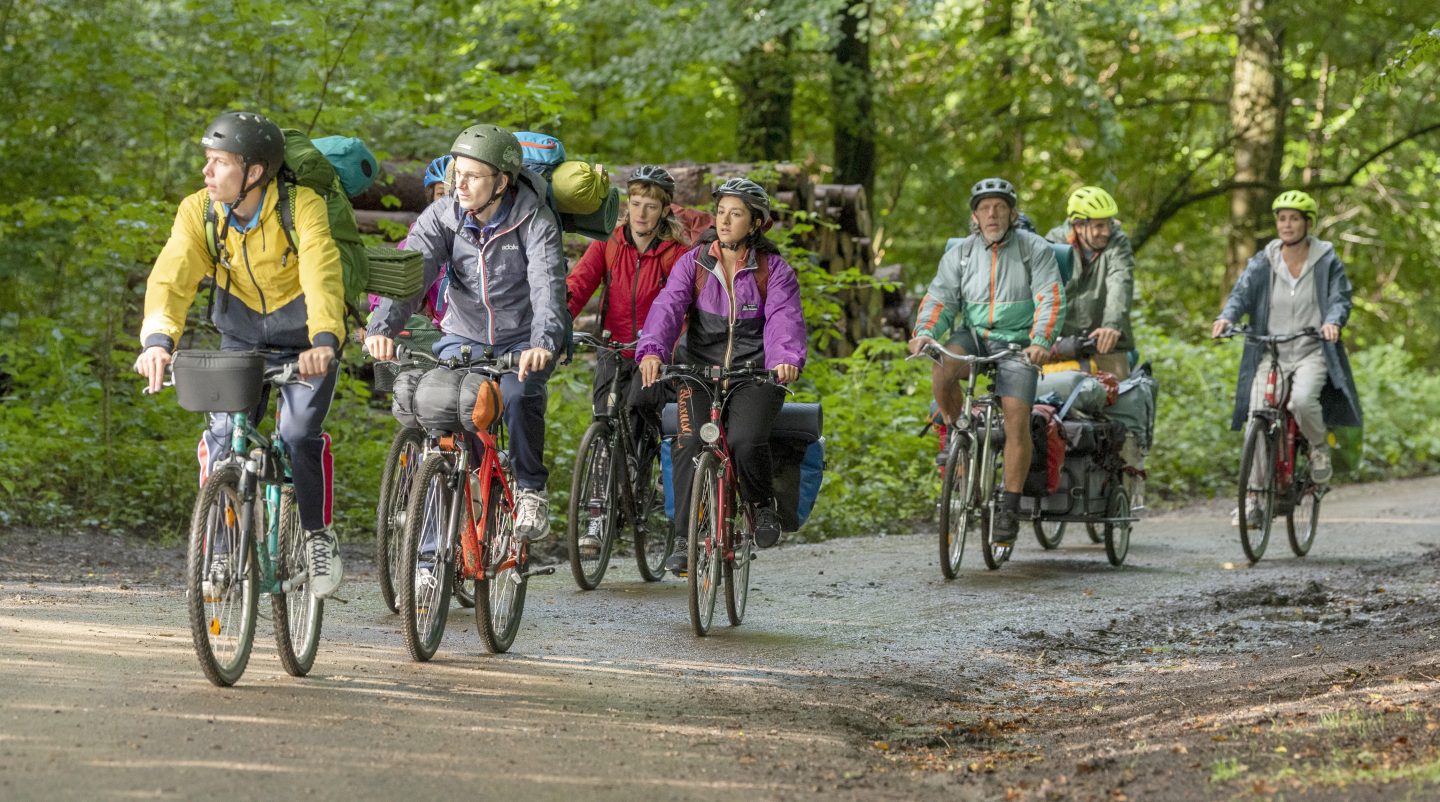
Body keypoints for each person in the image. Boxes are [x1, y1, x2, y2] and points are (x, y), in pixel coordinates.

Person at [134, 111, 347, 598]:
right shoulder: (200, 211)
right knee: (226, 436)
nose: (207, 173)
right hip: (241, 338)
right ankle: (224, 549)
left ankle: (317, 535)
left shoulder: (300, 207)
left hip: (305, 342)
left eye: (220, 162)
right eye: (207, 161)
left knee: (296, 433)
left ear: (254, 172)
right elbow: (173, 275)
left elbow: (320, 270)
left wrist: (324, 339)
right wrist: (157, 341)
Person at [366, 124, 567, 541]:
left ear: (501, 182)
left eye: (472, 175)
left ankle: (530, 489)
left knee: (517, 394)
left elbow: (548, 287)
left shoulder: (534, 220)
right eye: (457, 172)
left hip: (523, 339)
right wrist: (382, 327)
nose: (459, 183)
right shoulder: (442, 216)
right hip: (464, 334)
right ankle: (448, 516)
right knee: (443, 405)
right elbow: (412, 272)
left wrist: (543, 344)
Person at [636, 178, 807, 571]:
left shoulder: (773, 270)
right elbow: (667, 308)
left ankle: (761, 505)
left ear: (756, 223)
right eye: (721, 212)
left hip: (755, 373)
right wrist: (652, 351)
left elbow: (784, 320)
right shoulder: (694, 263)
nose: (725, 220)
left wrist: (784, 358)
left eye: (737, 213)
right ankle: (682, 538)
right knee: (688, 441)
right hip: (697, 370)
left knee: (746, 440)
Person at [908, 177, 1065, 546]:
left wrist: (1041, 341)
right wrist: (926, 332)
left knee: (1016, 417)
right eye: (984, 208)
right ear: (975, 217)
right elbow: (940, 300)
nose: (992, 214)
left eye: (999, 207)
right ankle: (956, 430)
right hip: (975, 335)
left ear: (1012, 212)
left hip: (1019, 342)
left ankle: (1009, 506)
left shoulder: (1035, 249)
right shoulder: (961, 253)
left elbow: (1050, 297)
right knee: (942, 368)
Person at [1212, 189, 1361, 525]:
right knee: (1258, 414)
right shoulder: (1265, 260)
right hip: (1272, 350)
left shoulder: (1325, 260)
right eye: (1282, 218)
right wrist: (1227, 317)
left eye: (1294, 218)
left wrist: (1332, 322)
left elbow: (1340, 298)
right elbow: (1241, 293)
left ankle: (1319, 448)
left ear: (1307, 223)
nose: (1287, 224)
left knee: (1302, 401)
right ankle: (1254, 498)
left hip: (1311, 350)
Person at [566, 165, 690, 551]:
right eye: (636, 204)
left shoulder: (677, 255)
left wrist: (671, 346)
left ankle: (645, 471)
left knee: (639, 405)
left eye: (651, 206)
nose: (641, 214)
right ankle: (597, 517)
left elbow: (683, 307)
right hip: (613, 345)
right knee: (603, 417)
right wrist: (553, 325)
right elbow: (578, 285)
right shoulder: (608, 243)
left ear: (664, 210)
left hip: (658, 353)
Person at [1045, 186, 1135, 379]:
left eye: (1109, 224)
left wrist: (1111, 326)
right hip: (1060, 340)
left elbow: (1120, 280)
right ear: (1078, 225)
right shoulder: (1055, 243)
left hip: (1104, 339)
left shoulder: (1118, 242)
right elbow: (1043, 291)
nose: (1106, 232)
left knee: (1117, 392)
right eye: (1099, 226)